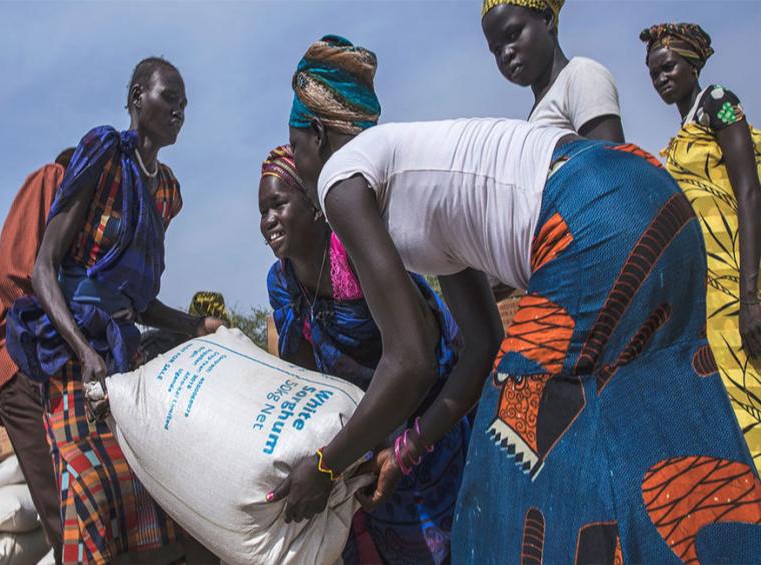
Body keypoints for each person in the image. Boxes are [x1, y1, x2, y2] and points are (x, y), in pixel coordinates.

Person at [269, 35, 761, 563]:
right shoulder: (415, 174)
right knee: (655, 439)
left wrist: (325, 465)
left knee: (511, 461)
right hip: (655, 201)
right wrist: (406, 449)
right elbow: (482, 347)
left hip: (589, 223)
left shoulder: (342, 177)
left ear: (316, 135)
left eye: (296, 149)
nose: (301, 166)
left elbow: (408, 359)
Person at [4, 57, 222, 563]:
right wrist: (83, 351)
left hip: (122, 353)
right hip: (71, 352)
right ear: (136, 97)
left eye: (185, 104)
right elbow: (43, 269)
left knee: (143, 490)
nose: (179, 112)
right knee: (88, 482)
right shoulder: (103, 154)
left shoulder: (165, 191)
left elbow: (139, 302)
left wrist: (194, 326)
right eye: (170, 98)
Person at [260, 144, 469, 563]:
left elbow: (418, 361)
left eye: (278, 205)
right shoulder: (281, 282)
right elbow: (307, 381)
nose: (267, 222)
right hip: (367, 442)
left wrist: (327, 466)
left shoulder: (353, 254)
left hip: (428, 425)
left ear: (316, 205)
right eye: (262, 212)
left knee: (455, 543)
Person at [642, 23, 761, 470]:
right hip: (709, 300)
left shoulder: (720, 103)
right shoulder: (676, 140)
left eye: (668, 66)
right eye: (653, 73)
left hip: (740, 287)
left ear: (693, 64)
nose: (660, 78)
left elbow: (749, 191)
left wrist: (750, 300)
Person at [0, 147, 75, 561]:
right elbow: (19, 277)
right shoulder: (52, 179)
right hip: (24, 363)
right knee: (67, 513)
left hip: (59, 363)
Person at [481, 0, 625, 142]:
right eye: (497, 50)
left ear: (547, 19)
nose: (506, 54)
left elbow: (611, 161)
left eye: (513, 35)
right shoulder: (536, 114)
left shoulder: (581, 75)